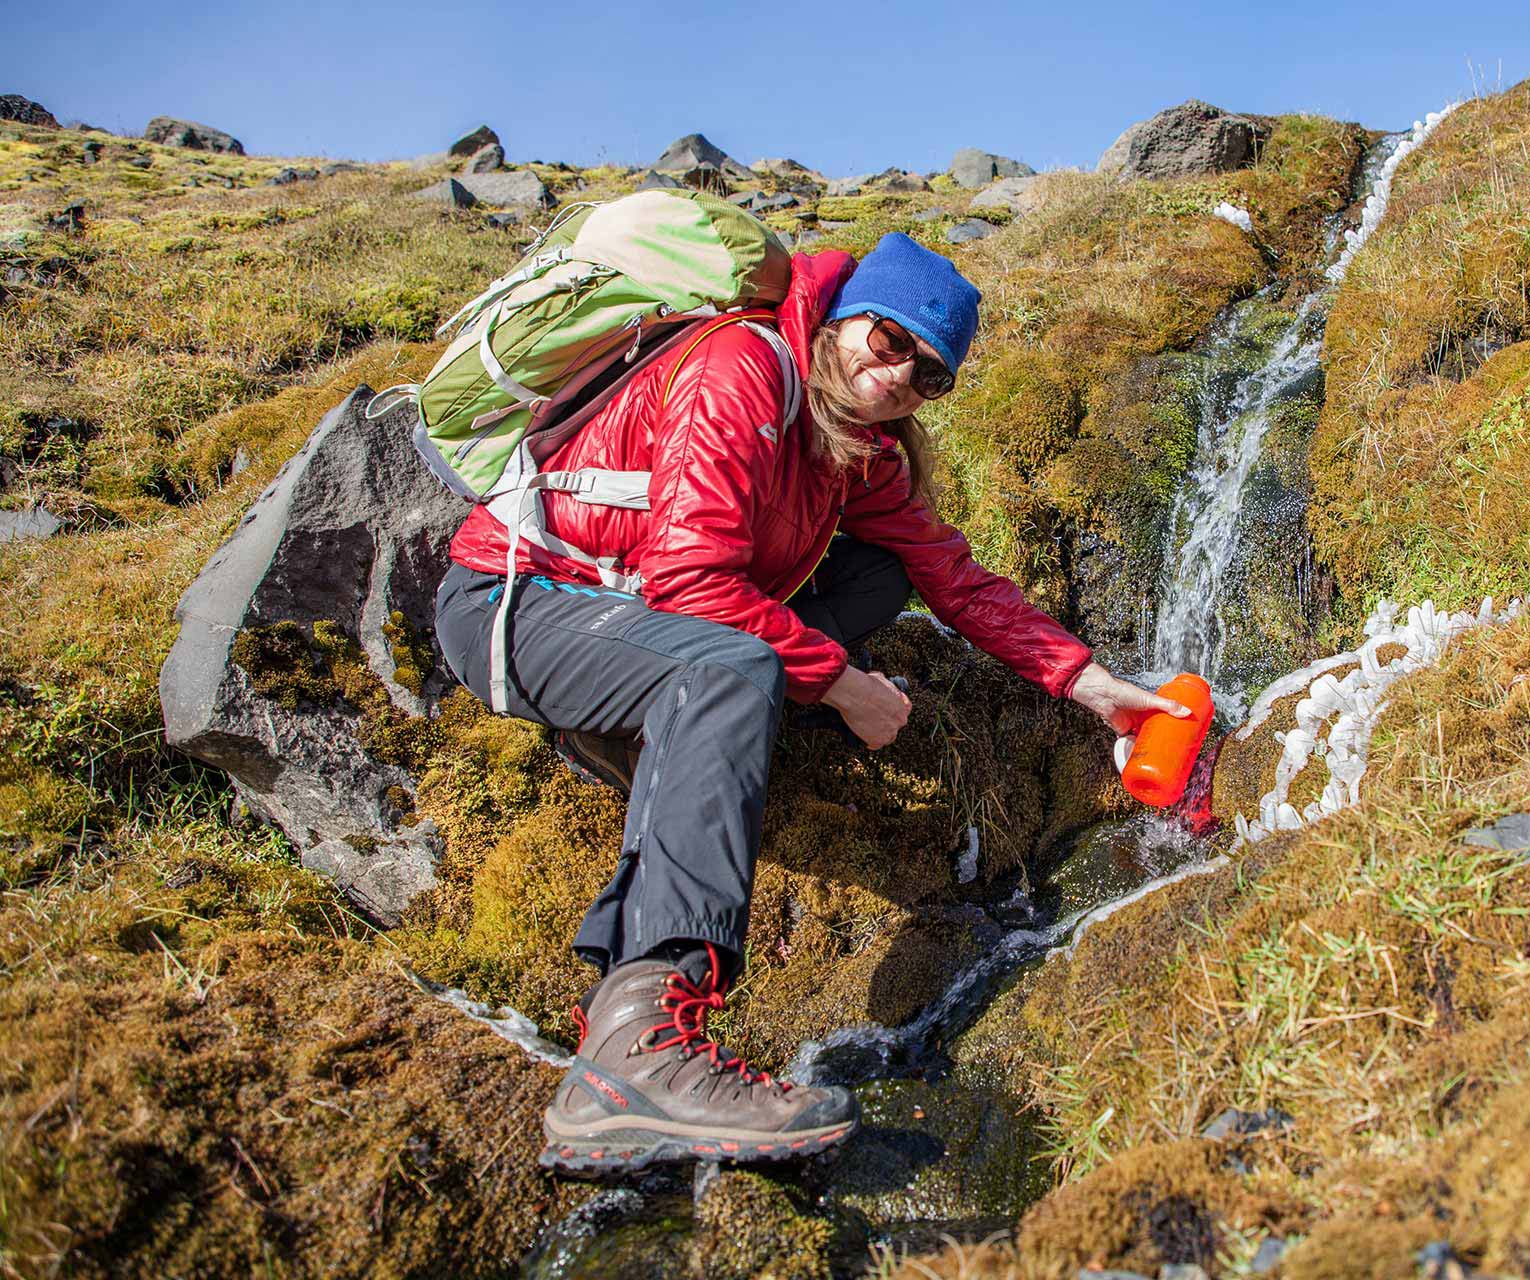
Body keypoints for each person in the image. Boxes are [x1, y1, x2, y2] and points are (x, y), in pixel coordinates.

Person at [432, 231, 1186, 1176]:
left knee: (878, 577)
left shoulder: (854, 448)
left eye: (929, 375)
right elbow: (690, 584)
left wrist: (1089, 683)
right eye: (890, 340)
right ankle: (637, 1049)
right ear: (841, 318)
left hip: (635, 620)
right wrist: (841, 683)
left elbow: (951, 576)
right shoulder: (744, 366)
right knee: (731, 668)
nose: (899, 376)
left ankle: (680, 738)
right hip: (521, 606)